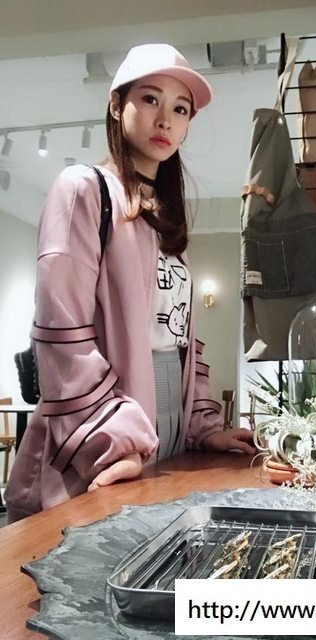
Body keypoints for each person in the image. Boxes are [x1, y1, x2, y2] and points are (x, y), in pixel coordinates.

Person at [5, 44, 256, 522]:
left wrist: (203, 426)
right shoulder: (83, 190)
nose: (165, 120)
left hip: (166, 422)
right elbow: (61, 333)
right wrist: (110, 441)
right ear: (117, 105)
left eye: (180, 109)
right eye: (150, 99)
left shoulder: (164, 221)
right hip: (103, 430)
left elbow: (182, 339)